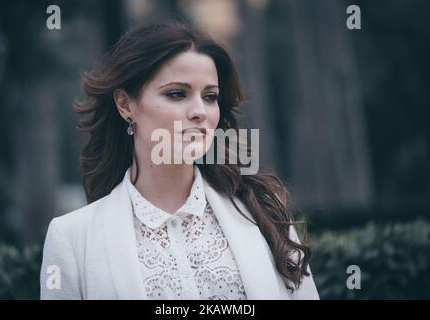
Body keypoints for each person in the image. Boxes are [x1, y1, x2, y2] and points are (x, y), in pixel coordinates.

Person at [40, 19, 319, 300]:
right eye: (177, 94)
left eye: (210, 97)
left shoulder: (263, 208)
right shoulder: (72, 239)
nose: (200, 111)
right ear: (126, 105)